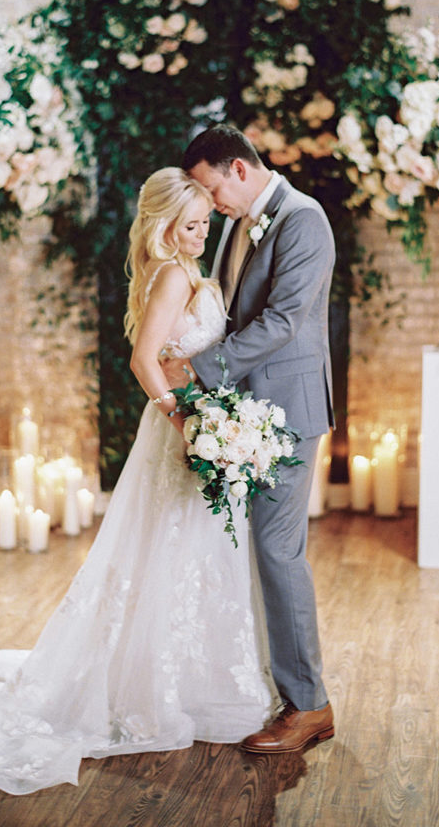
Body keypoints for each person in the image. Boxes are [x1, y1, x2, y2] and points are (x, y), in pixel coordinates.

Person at [0, 167, 278, 807]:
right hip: (182, 427)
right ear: (164, 225)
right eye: (192, 225)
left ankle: (184, 678)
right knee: (179, 550)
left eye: (206, 223)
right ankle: (167, 688)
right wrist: (186, 419)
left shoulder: (178, 270)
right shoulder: (174, 273)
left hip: (195, 423)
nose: (202, 235)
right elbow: (144, 360)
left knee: (187, 553)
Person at [162, 123, 336, 754]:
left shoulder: (303, 220)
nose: (209, 206)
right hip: (245, 411)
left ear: (238, 168)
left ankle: (309, 705)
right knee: (251, 553)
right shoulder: (239, 221)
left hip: (288, 411)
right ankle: (263, 687)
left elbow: (286, 320)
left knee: (277, 553)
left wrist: (200, 369)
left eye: (211, 189)